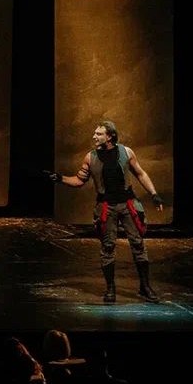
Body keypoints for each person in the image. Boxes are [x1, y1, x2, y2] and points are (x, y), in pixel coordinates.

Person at [47, 120, 164, 303]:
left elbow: (140, 173)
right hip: (106, 207)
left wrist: (154, 194)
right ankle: (110, 288)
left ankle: (145, 287)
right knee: (108, 247)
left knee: (138, 244)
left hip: (128, 204)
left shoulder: (126, 152)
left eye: (99, 134)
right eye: (95, 133)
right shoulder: (90, 157)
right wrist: (60, 178)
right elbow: (79, 180)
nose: (94, 136)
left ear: (110, 136)